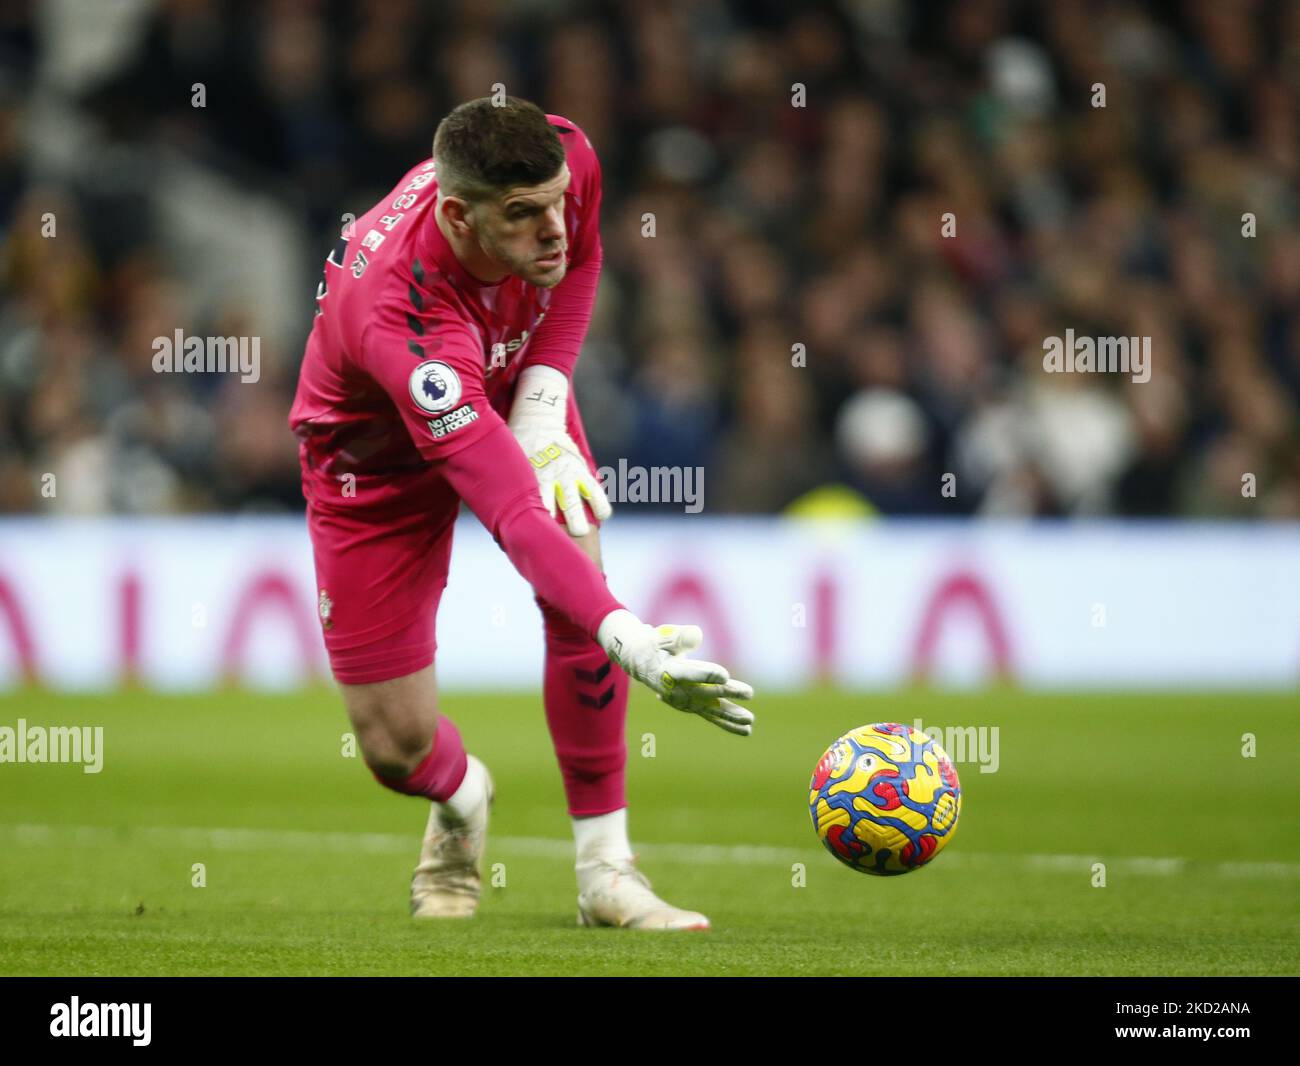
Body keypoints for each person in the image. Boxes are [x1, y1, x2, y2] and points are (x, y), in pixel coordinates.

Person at [288, 96, 753, 931]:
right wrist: (631, 637)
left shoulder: (562, 160)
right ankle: (464, 798)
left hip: (504, 388)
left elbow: (580, 263)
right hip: (373, 473)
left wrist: (541, 401)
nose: (554, 226)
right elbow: (506, 506)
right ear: (458, 215)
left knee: (577, 580)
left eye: (556, 201)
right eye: (524, 216)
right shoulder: (397, 314)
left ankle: (607, 873)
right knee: (396, 751)